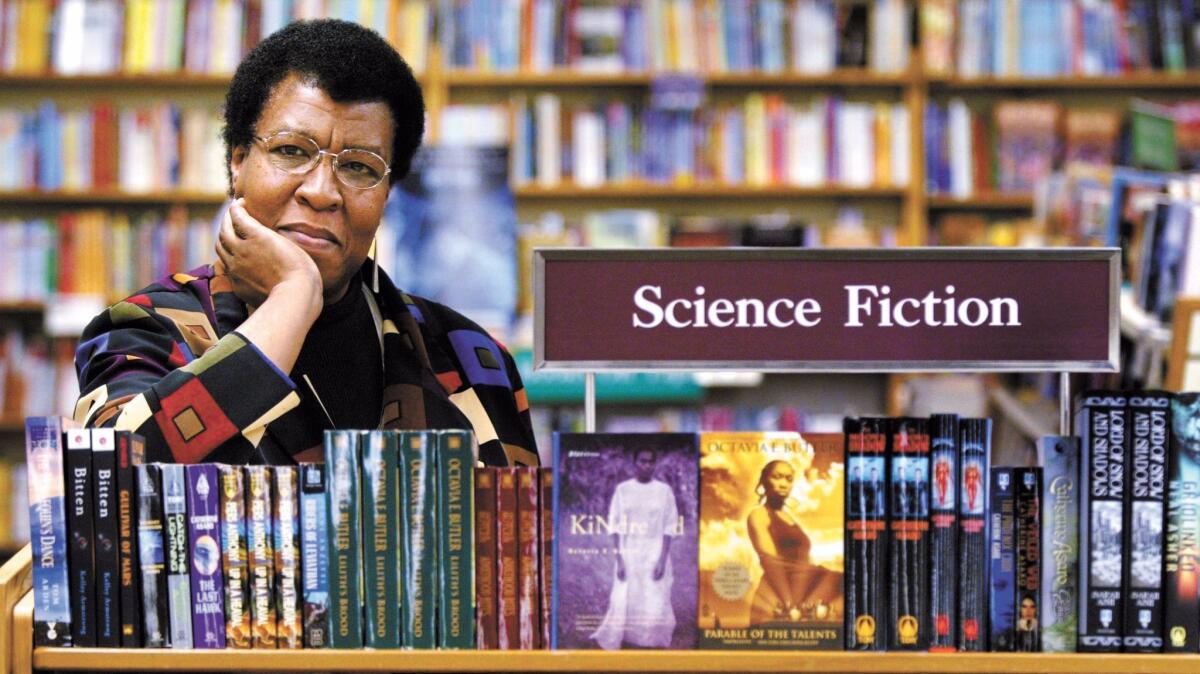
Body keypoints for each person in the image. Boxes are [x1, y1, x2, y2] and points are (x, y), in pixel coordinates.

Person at [71, 19, 537, 467]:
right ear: (238, 162)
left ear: (386, 195)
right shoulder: (146, 331)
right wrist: (293, 297)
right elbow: (110, 486)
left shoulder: (471, 358)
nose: (321, 191)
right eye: (291, 151)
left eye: (359, 166)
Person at [590, 449, 679, 650]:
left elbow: (669, 526)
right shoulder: (623, 490)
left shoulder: (664, 491)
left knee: (655, 595)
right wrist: (620, 560)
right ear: (635, 463)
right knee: (625, 595)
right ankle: (627, 635)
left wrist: (662, 560)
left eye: (650, 462)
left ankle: (651, 638)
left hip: (655, 550)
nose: (646, 465)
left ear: (655, 465)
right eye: (642, 461)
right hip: (629, 549)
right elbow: (614, 526)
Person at [746, 460, 842, 624]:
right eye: (777, 477)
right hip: (780, 601)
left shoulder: (790, 518)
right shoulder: (759, 514)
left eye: (789, 479)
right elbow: (771, 561)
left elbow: (803, 560)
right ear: (764, 481)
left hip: (802, 599)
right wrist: (790, 605)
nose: (783, 484)